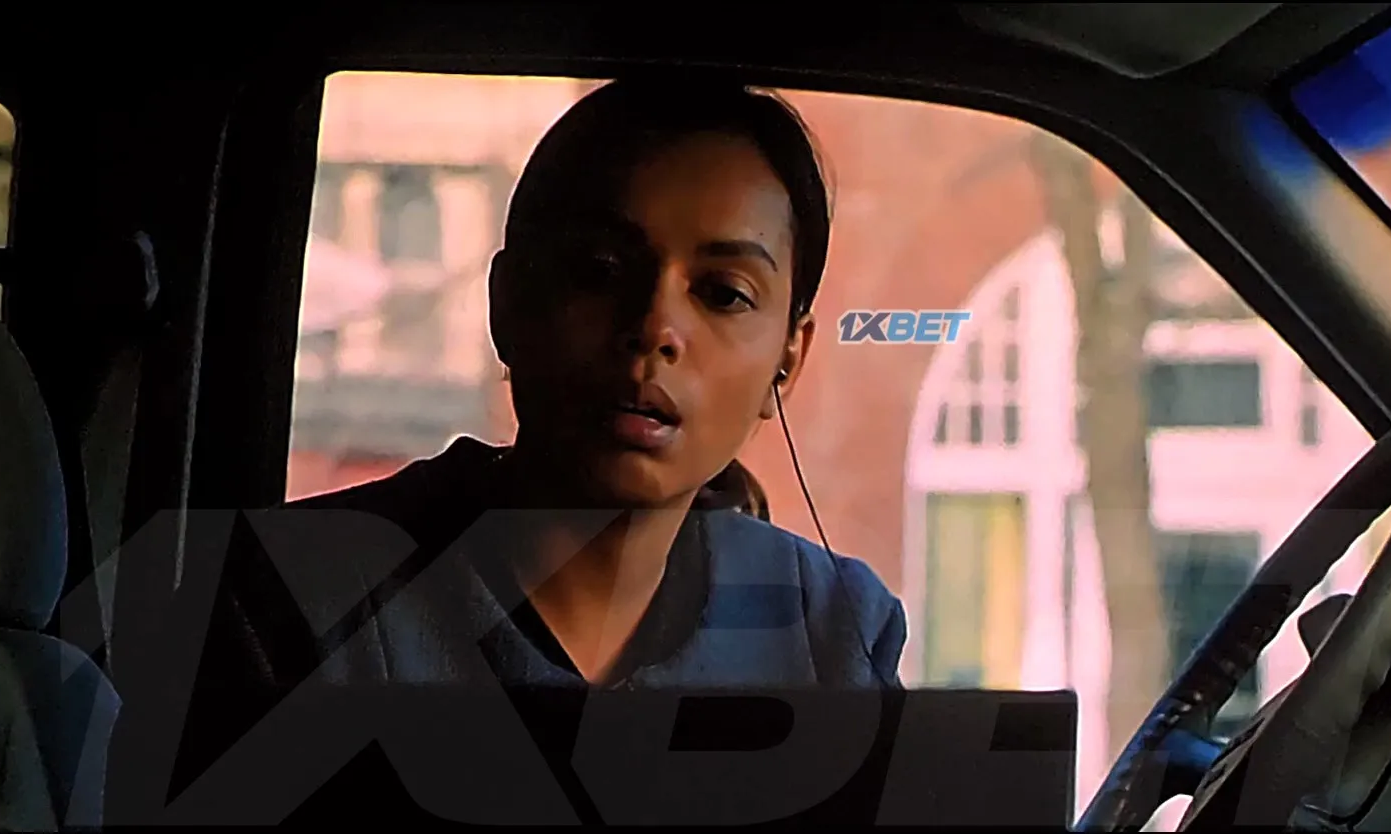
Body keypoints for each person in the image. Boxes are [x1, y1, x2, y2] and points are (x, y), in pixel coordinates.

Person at [198, 78, 904, 710]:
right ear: (506, 303)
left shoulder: (831, 635)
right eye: (600, 269)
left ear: (789, 358)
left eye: (723, 293)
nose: (655, 327)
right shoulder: (290, 603)